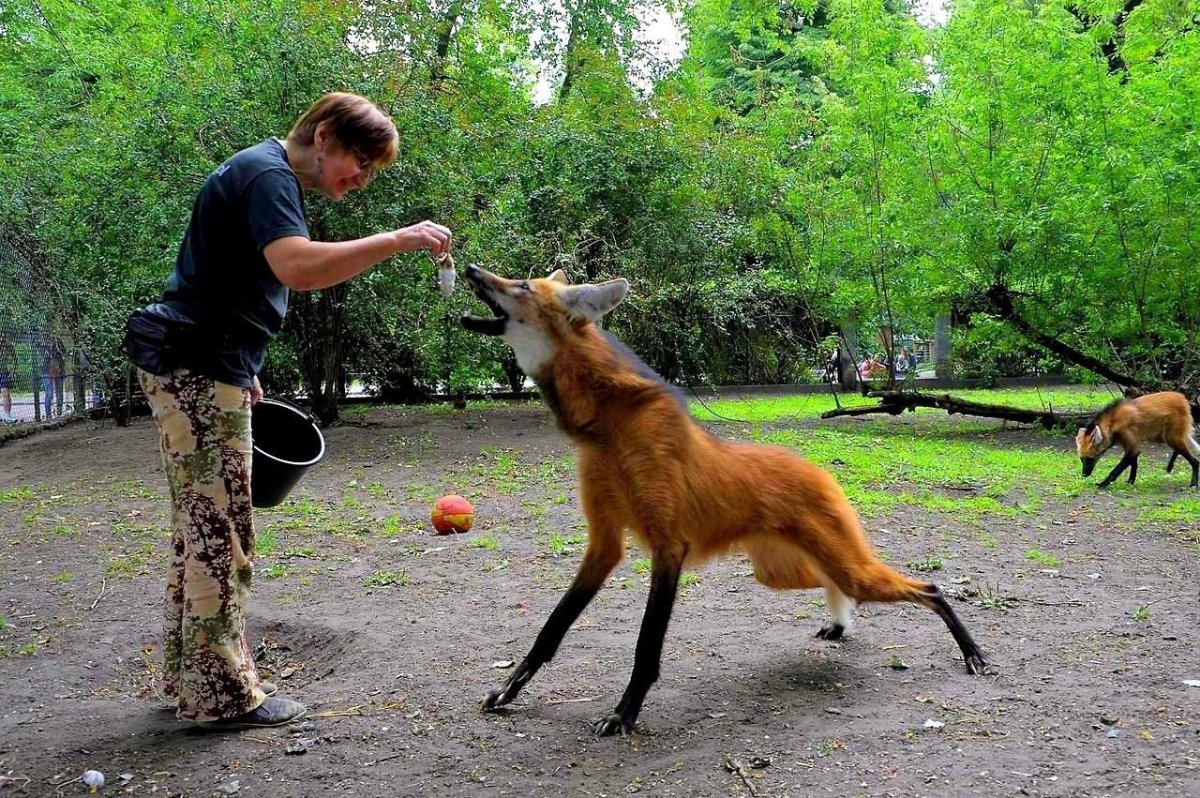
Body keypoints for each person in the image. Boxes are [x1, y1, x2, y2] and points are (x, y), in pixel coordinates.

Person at [122, 93, 453, 730]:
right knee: (221, 532)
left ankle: (189, 677)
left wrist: (242, 370)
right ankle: (222, 697)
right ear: (324, 135)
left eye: (371, 172)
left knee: (202, 525)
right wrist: (399, 238)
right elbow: (296, 269)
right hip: (195, 367)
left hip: (203, 363)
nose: (360, 179)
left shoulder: (259, 172)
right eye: (360, 161)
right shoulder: (271, 174)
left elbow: (226, 283)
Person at [39, 332, 66, 419]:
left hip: (58, 369)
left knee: (59, 392)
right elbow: (41, 356)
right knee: (49, 393)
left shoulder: (57, 341)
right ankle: (48, 415)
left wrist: (56, 347)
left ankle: (59, 413)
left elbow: (63, 353)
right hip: (47, 370)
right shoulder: (40, 344)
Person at [0, 331, 17, 424]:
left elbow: (15, 359)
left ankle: (7, 415)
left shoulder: (8, 346)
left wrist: (13, 371)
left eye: (3, 334)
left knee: (6, 393)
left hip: (4, 372)